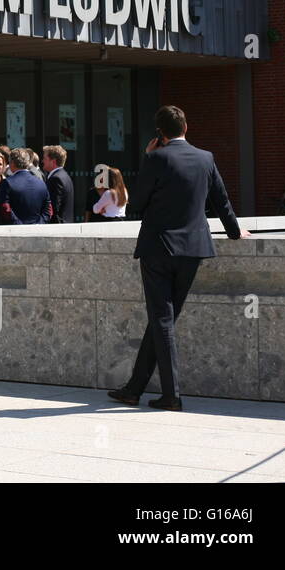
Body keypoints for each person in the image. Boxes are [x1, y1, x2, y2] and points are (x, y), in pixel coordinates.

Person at [107, 106, 247, 412]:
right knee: (163, 321)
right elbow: (221, 200)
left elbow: (136, 205)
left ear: (160, 133)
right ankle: (133, 389)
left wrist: (148, 158)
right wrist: (235, 232)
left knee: (162, 320)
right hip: (194, 249)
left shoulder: (156, 158)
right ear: (187, 126)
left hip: (158, 248)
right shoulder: (206, 158)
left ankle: (172, 395)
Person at [0, 148, 51, 224]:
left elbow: (5, 209)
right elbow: (48, 210)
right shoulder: (41, 183)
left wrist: (20, 225)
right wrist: (39, 223)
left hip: (15, 231)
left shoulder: (7, 183)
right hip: (38, 230)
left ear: (12, 163)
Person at [42, 145, 75, 223]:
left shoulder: (56, 179)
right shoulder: (65, 176)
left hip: (58, 228)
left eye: (45, 158)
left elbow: (53, 208)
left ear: (53, 161)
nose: (42, 161)